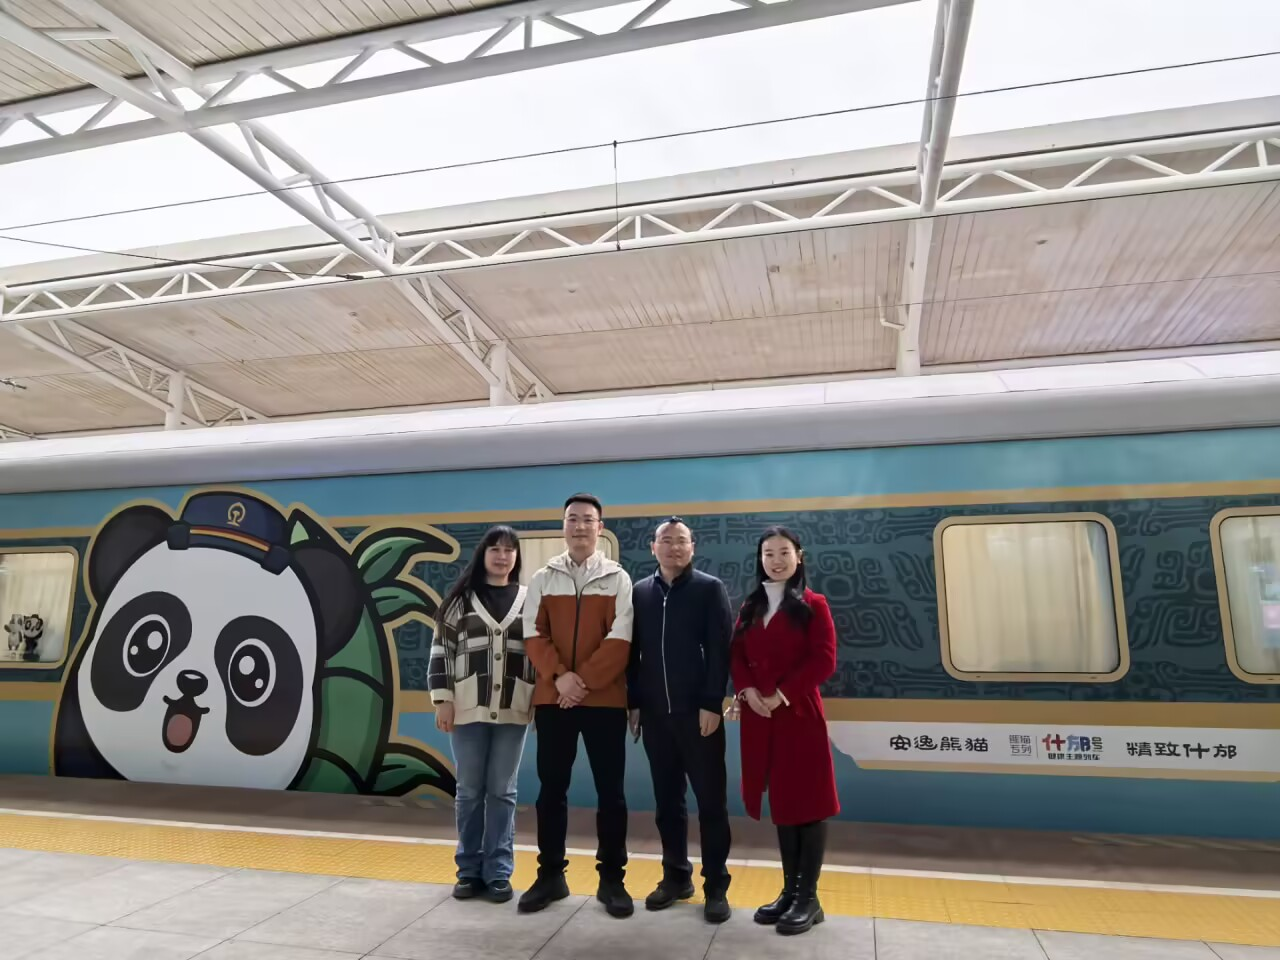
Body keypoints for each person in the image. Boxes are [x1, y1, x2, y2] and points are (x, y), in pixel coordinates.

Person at [518, 493, 636, 918]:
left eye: (588, 519)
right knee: (551, 791)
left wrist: (580, 682)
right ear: (563, 526)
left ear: (600, 528)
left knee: (611, 793)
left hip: (604, 700)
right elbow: (533, 634)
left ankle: (612, 880)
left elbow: (621, 638)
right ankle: (551, 875)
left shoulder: (617, 579)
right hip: (554, 699)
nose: (580, 526)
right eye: (573, 519)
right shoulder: (543, 578)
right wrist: (560, 678)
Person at [729, 525, 839, 936]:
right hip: (760, 718)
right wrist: (746, 690)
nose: (776, 561)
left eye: (783, 553)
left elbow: (824, 660)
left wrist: (781, 695)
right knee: (782, 803)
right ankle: (790, 891)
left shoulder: (814, 604)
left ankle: (809, 898)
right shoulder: (751, 605)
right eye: (768, 554)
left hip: (799, 715)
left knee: (808, 802)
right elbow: (736, 655)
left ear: (799, 556)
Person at [626, 517, 734, 923]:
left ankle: (716, 886)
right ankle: (675, 877)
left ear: (693, 547)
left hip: (698, 715)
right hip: (656, 716)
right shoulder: (640, 592)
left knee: (711, 803)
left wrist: (712, 703)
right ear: (653, 547)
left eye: (681, 541)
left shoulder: (709, 589)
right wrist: (634, 701)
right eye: (666, 540)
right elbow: (632, 652)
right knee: (667, 803)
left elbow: (720, 649)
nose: (674, 547)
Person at [428, 525, 532, 904]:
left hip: (514, 709)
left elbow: (539, 653)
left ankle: (499, 871)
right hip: (466, 710)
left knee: (503, 792)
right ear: (483, 555)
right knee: (470, 791)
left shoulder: (530, 600)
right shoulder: (459, 601)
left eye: (509, 550)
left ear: (516, 557)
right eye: (495, 549)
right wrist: (443, 699)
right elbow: (441, 651)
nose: (502, 556)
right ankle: (468, 870)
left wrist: (539, 698)